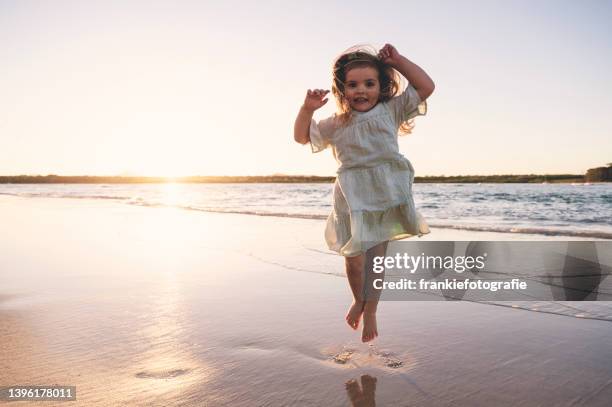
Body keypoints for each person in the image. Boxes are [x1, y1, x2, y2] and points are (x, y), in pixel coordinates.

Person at [293, 44, 434, 342]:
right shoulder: (336, 123)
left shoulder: (391, 109)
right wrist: (307, 109)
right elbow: (302, 137)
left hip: (385, 195)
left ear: (381, 87)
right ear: (342, 90)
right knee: (354, 260)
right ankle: (359, 299)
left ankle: (371, 310)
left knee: (377, 261)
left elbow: (425, 86)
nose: (361, 90)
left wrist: (398, 61)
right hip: (352, 199)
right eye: (353, 85)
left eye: (369, 84)